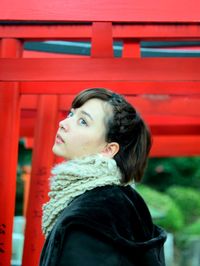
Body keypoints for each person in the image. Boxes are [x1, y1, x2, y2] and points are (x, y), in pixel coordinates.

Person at [40, 88, 166, 266]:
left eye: (83, 121)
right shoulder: (114, 198)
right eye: (71, 114)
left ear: (108, 150)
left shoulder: (94, 211)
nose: (63, 123)